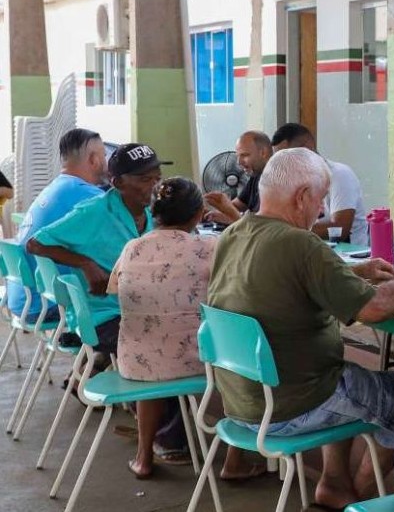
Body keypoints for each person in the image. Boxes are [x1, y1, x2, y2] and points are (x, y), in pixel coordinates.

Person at [208, 147, 394, 509]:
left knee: (341, 371)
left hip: (245, 399)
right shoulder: (300, 243)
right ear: (302, 196)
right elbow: (376, 308)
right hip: (294, 403)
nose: (322, 210)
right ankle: (363, 495)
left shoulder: (235, 233)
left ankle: (334, 484)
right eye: (321, 199)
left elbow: (285, 281)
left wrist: (350, 273)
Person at [108, 177, 256, 481]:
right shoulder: (209, 247)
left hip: (135, 363)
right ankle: (234, 462)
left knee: (155, 352)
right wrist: (232, 214)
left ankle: (143, 457)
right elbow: (251, 255)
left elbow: (113, 289)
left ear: (154, 213)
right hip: (193, 362)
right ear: (199, 214)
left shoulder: (132, 248)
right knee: (241, 357)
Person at [27, 143, 167, 358]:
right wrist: (85, 263)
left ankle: (95, 369)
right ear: (118, 182)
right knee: (178, 340)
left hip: (141, 310)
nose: (155, 186)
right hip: (104, 317)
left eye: (158, 178)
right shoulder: (94, 212)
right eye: (145, 180)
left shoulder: (153, 213)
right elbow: (35, 243)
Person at [11, 128, 107, 323]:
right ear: (94, 160)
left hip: (24, 300)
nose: (106, 162)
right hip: (49, 305)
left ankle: (98, 353)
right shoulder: (88, 196)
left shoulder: (57, 188)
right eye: (104, 156)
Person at [271, 123, 368, 245]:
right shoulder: (295, 181)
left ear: (307, 149)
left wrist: (287, 229)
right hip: (313, 251)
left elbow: (339, 229)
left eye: (286, 157)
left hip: (348, 256)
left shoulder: (339, 175)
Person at [203, 130, 273, 225]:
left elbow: (260, 228)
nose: (239, 162)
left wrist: (232, 216)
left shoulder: (277, 182)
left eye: (244, 155)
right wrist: (216, 209)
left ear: (263, 153)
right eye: (238, 156)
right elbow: (238, 204)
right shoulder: (255, 175)